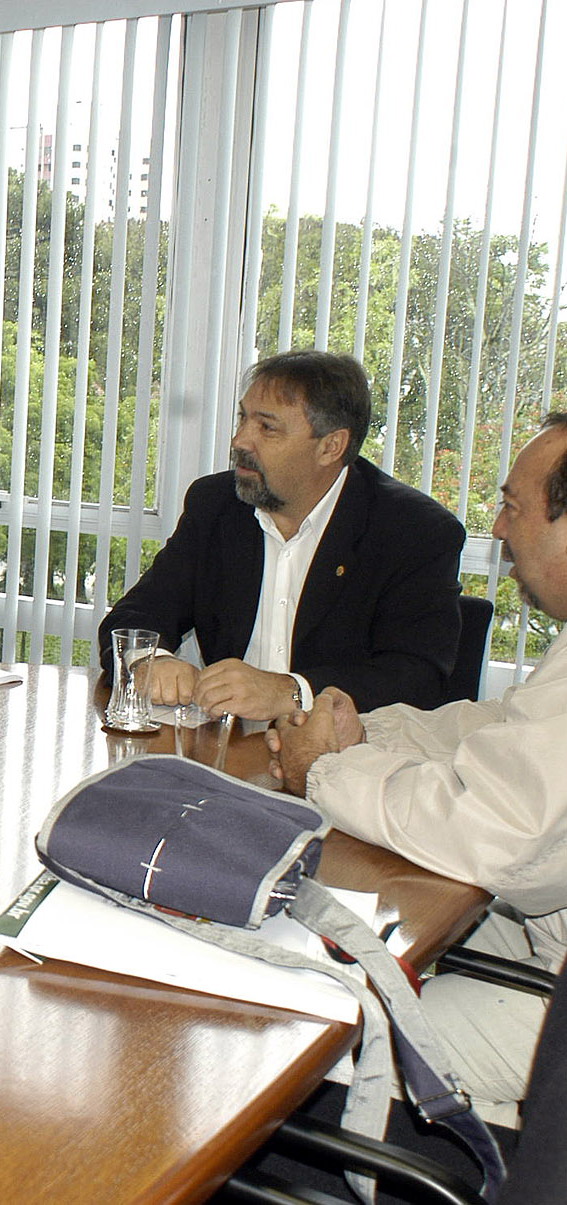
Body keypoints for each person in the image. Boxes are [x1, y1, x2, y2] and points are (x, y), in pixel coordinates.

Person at [269, 414, 567, 1119]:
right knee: (341, 950)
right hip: (544, 937)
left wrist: (327, 770)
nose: (498, 528)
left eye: (513, 506)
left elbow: (494, 834)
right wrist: (368, 730)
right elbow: (501, 731)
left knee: (309, 1026)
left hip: (550, 992)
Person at [98, 349, 465, 722]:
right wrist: (151, 660)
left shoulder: (413, 531)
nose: (240, 440)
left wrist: (291, 691)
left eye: (266, 427)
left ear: (331, 446)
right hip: (227, 744)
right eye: (243, 418)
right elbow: (137, 615)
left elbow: (418, 677)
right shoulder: (217, 506)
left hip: (341, 750)